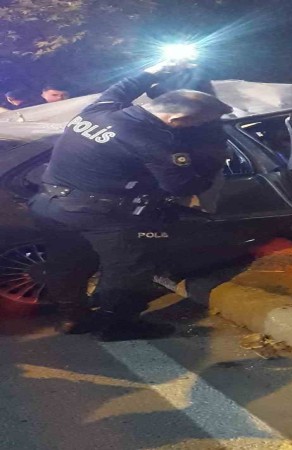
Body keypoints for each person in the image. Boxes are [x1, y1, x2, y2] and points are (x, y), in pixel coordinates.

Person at [29, 63, 232, 341]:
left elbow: (123, 87)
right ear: (177, 119)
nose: (196, 127)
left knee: (67, 262)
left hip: (50, 204)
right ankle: (119, 325)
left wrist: (155, 71)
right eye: (196, 123)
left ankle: (71, 318)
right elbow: (182, 186)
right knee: (129, 270)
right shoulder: (152, 141)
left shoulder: (100, 110)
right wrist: (213, 161)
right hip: (100, 214)